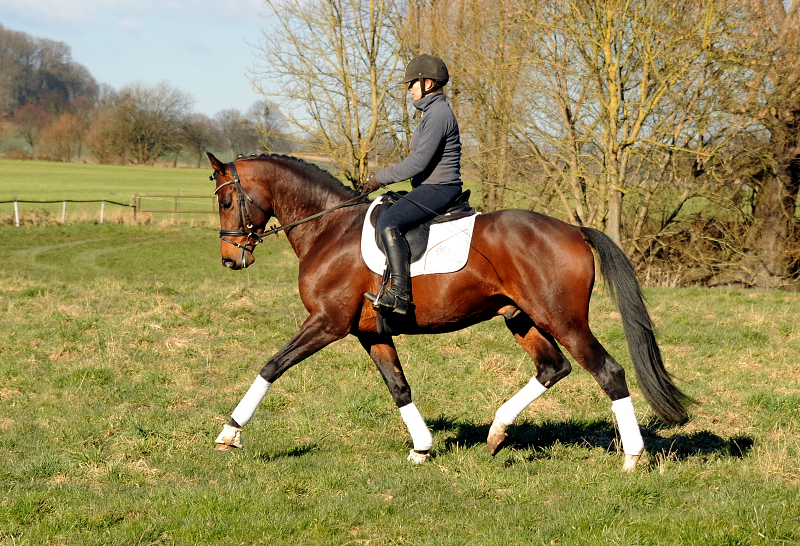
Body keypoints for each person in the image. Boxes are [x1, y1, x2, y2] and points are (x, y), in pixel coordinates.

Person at [363, 54, 463, 316]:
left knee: (388, 222)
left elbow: (417, 163)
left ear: (427, 83)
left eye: (412, 84)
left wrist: (379, 178)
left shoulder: (438, 114)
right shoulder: (430, 113)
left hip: (440, 188)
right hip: (431, 187)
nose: (409, 89)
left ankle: (399, 295)